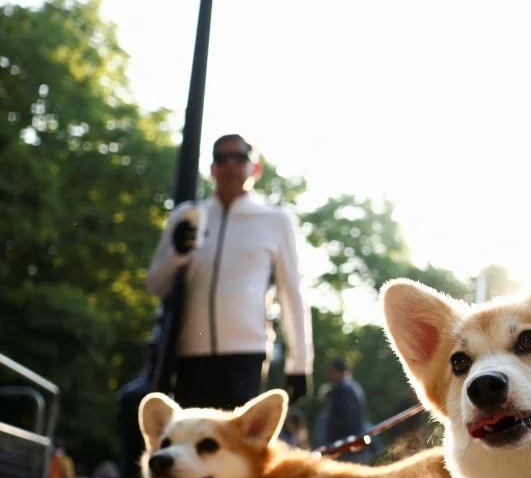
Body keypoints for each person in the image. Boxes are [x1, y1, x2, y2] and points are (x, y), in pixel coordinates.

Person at [146, 134, 312, 411]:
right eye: (221, 158)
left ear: (255, 168)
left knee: (236, 448)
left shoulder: (275, 221)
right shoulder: (187, 216)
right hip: (189, 354)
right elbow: (155, 284)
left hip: (246, 353)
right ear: (211, 168)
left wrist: (300, 363)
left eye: (240, 157)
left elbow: (291, 293)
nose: (230, 164)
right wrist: (176, 255)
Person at [313, 356, 368, 454]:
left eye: (331, 372)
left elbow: (343, 418)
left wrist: (334, 441)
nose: (329, 375)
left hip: (344, 443)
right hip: (349, 440)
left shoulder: (343, 390)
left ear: (337, 371)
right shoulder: (353, 387)